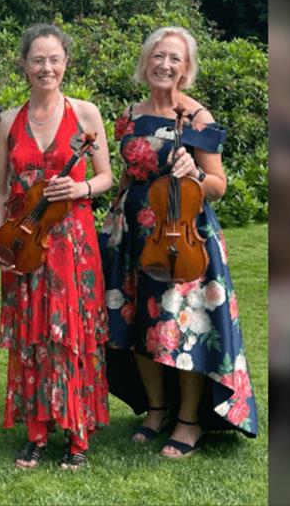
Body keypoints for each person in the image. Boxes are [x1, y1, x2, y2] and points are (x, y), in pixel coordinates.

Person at [99, 26, 259, 458]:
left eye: (174, 58)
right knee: (137, 323)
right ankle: (156, 410)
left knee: (186, 327)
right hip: (134, 233)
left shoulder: (198, 118)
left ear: (186, 68)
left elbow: (219, 184)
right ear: (145, 61)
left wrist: (196, 174)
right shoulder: (131, 115)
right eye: (157, 56)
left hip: (183, 234)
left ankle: (189, 421)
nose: (164, 65)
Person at [0, 23, 113, 470]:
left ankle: (77, 434)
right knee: (32, 336)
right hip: (24, 241)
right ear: (24, 64)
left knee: (71, 337)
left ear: (65, 62)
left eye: (54, 59)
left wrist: (81, 191)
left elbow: (105, 177)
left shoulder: (86, 114)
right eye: (38, 59)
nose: (47, 67)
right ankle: (37, 432)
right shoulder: (7, 121)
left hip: (72, 244)